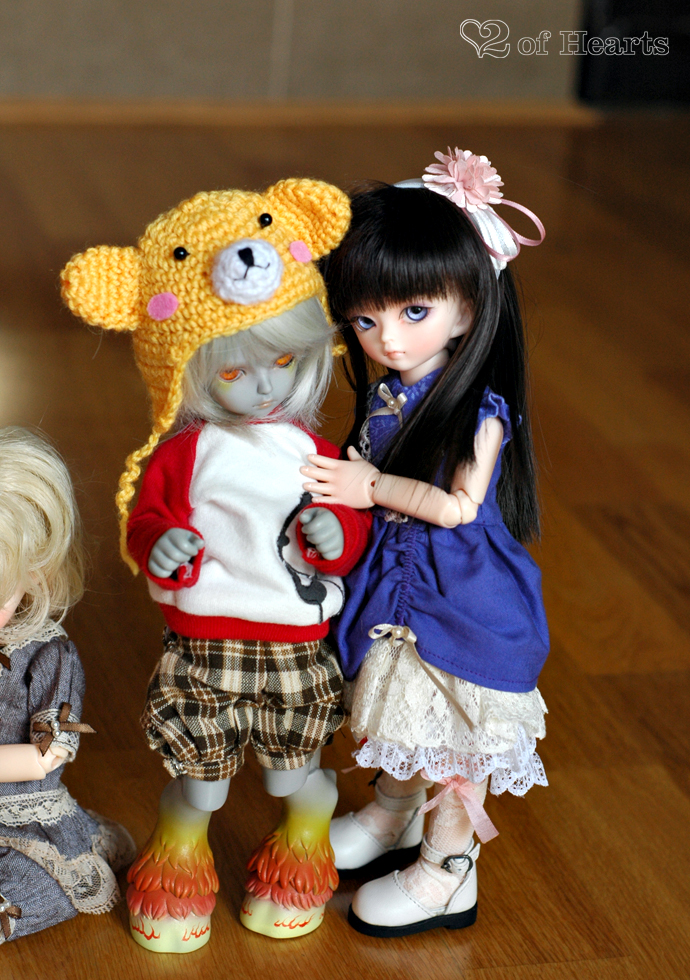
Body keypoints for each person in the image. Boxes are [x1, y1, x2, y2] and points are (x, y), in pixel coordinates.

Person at [61, 179, 370, 949]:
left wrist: (335, 533)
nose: (265, 387)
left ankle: (304, 840)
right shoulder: (187, 454)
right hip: (203, 650)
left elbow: (353, 522)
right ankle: (177, 865)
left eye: (284, 362)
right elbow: (149, 520)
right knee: (199, 784)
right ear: (187, 372)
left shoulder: (314, 452)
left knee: (291, 774)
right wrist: (160, 543)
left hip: (296, 647)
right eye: (233, 372)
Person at [300, 148, 550, 937]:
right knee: (393, 703)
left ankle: (449, 869)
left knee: (449, 728)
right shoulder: (387, 396)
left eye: (414, 313)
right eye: (366, 319)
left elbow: (455, 508)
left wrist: (370, 487)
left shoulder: (479, 413)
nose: (389, 339)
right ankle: (392, 814)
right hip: (398, 587)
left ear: (468, 310)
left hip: (461, 593)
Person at [0, 427, 134, 943]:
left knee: (28, 888)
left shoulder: (46, 655)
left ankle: (91, 842)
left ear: (33, 577)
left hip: (23, 817)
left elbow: (48, 752)